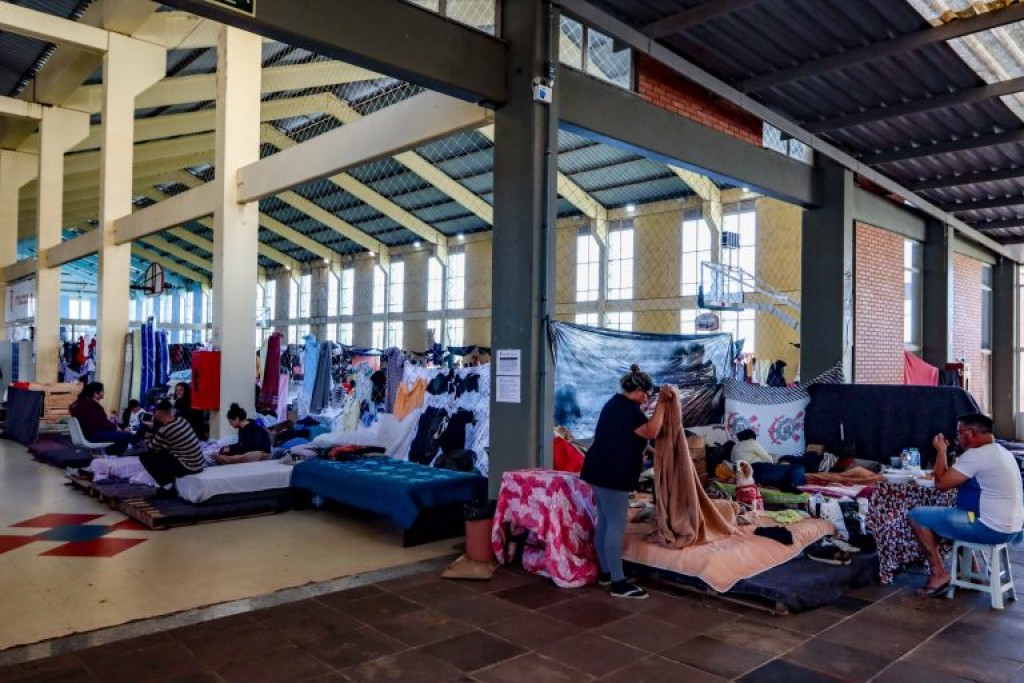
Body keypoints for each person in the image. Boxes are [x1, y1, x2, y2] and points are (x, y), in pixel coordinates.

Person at [580, 364, 677, 600]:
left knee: (605, 521)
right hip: (612, 474)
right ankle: (618, 583)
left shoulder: (614, 404)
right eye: (648, 396)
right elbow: (652, 431)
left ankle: (606, 572)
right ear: (641, 393)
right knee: (616, 524)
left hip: (598, 470)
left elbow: (628, 436)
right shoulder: (627, 409)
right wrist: (663, 403)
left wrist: (652, 451)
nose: (647, 401)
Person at [909, 412, 1024, 597]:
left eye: (960, 432)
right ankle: (973, 573)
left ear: (971, 433)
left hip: (990, 528)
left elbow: (941, 484)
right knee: (961, 513)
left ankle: (939, 575)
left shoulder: (977, 455)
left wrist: (941, 451)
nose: (958, 437)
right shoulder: (1002, 452)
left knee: (916, 516)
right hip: (1013, 528)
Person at [139, 400, 205, 488]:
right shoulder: (182, 420)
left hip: (189, 467)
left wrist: (149, 430)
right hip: (200, 463)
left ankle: (166, 485)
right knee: (163, 451)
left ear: (159, 413)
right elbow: (167, 444)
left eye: (155, 412)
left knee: (145, 456)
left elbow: (150, 447)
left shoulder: (165, 430)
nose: (154, 414)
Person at [69, 382, 137, 456]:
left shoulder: (82, 404)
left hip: (87, 434)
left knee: (122, 435)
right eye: (102, 391)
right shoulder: (93, 406)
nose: (104, 393)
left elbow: (100, 423)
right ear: (96, 394)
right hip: (94, 435)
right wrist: (119, 429)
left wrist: (118, 428)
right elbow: (105, 425)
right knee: (127, 436)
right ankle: (109, 454)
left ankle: (108, 453)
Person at [731, 428, 806, 493]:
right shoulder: (750, 442)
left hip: (745, 476)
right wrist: (778, 465)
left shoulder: (734, 447)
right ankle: (790, 484)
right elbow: (768, 458)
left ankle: (786, 484)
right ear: (751, 437)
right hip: (758, 470)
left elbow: (734, 462)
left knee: (797, 477)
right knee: (798, 468)